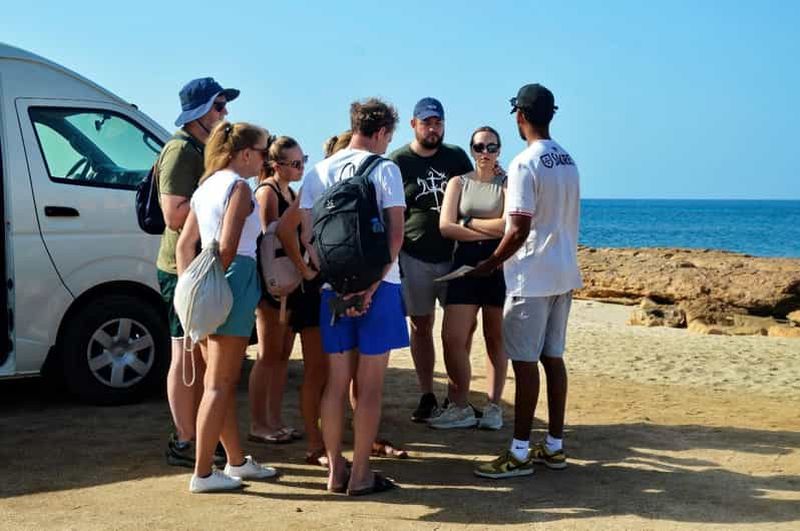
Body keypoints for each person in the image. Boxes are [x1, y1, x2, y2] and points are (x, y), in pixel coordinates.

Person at [472, 84, 582, 479]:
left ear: (520, 115)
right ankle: (554, 444)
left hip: (531, 276)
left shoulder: (523, 164)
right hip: (563, 272)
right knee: (553, 358)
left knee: (524, 363)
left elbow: (518, 228)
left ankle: (519, 452)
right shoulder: (567, 160)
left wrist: (491, 262)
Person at [300, 98, 408, 495]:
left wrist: (337, 281)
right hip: (379, 287)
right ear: (381, 132)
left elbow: (308, 239)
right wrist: (373, 285)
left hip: (333, 289)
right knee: (370, 385)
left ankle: (334, 471)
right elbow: (396, 235)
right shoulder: (385, 169)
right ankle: (361, 473)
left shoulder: (318, 171)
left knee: (335, 383)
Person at [176, 121, 277, 493]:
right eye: (263, 151)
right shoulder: (237, 186)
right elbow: (230, 245)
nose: (265, 159)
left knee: (216, 382)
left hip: (208, 282)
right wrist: (214, 285)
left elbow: (185, 244)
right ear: (245, 153)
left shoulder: (205, 187)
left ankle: (235, 462)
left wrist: (192, 287)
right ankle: (203, 472)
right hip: (232, 280)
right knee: (219, 384)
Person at [157, 77, 238, 467]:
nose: (224, 114)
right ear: (199, 112)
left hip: (196, 266)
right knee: (184, 353)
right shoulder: (180, 150)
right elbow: (172, 214)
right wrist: (220, 200)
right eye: (218, 106)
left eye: (224, 106)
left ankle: (197, 436)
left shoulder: (200, 148)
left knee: (196, 354)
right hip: (181, 267)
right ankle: (185, 439)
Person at [389, 98, 473, 422]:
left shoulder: (455, 157)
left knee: (459, 331)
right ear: (414, 124)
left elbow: (477, 194)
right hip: (414, 257)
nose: (433, 128)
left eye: (437, 122)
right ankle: (427, 393)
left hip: (453, 258)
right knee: (421, 326)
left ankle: (457, 397)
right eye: (427, 123)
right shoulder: (398, 161)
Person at [248, 137, 324, 451]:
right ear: (276, 165)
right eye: (294, 163)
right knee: (267, 355)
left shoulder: (289, 191)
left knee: (281, 356)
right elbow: (269, 240)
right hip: (272, 284)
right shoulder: (267, 191)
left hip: (289, 284)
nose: (301, 167)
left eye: (302, 160)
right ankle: (258, 422)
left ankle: (274, 420)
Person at [432, 126, 508, 430]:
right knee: (452, 337)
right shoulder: (458, 183)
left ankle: (493, 406)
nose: (485, 153)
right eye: (479, 147)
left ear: (500, 149)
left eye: (491, 147)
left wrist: (470, 221)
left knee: (496, 339)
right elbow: (445, 226)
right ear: (472, 150)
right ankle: (460, 404)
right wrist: (484, 227)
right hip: (463, 264)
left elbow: (509, 226)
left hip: (498, 263)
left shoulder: (508, 182)